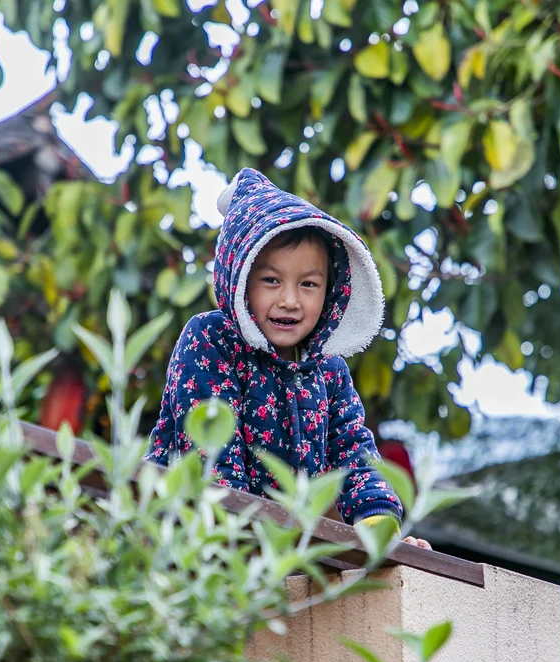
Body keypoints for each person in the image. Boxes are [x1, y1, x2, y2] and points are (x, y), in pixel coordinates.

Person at [145, 168, 430, 549]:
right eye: (271, 281)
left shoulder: (329, 371)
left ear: (331, 291)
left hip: (279, 553)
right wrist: (237, 541)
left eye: (308, 284)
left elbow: (354, 454)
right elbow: (211, 455)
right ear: (238, 279)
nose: (290, 300)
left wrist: (382, 533)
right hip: (193, 540)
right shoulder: (212, 339)